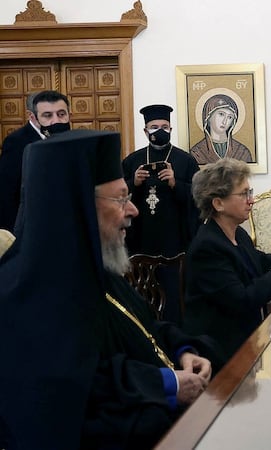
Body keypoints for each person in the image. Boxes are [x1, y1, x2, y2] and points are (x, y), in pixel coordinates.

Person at [0, 130, 217, 449]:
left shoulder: (97, 266)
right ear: (77, 208)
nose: (133, 211)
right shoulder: (25, 293)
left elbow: (146, 327)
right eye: (121, 199)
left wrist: (185, 353)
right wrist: (166, 384)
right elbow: (74, 393)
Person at [184, 158, 271, 363]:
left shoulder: (237, 233)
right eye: (244, 194)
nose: (251, 200)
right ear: (218, 203)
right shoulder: (207, 247)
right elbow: (242, 300)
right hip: (220, 349)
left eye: (249, 193)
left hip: (245, 338)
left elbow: (255, 263)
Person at [122, 104, 201, 323]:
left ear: (171, 129)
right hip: (141, 237)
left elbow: (200, 198)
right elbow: (116, 197)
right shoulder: (132, 161)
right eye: (154, 126)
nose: (160, 130)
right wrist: (133, 183)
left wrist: (176, 184)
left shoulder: (185, 161)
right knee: (142, 294)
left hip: (174, 239)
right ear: (145, 131)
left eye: (165, 126)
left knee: (174, 294)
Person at [0, 90, 69, 231]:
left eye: (61, 114)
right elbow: (8, 191)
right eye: (47, 115)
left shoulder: (69, 137)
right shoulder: (17, 142)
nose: (55, 121)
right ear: (32, 116)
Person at [190, 93, 253, 164]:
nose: (225, 121)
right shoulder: (197, 152)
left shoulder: (242, 151)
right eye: (221, 114)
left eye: (229, 117)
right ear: (208, 117)